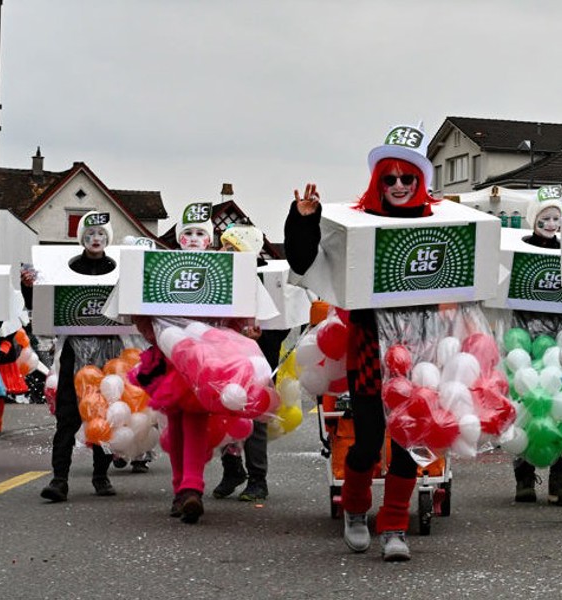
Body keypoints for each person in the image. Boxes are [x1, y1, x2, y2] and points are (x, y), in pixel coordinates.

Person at [283, 124, 441, 561]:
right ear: (377, 182)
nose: (398, 186)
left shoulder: (440, 224)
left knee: (410, 441)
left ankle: (395, 526)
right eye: (388, 178)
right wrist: (304, 219)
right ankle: (355, 511)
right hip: (370, 346)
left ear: (420, 182)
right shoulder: (356, 224)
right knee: (368, 441)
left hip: (420, 349)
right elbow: (305, 262)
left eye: (407, 178)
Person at [130, 203, 262, 524]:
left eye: (199, 233)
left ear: (209, 239)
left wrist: (243, 329)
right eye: (187, 233)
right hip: (170, 355)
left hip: (205, 358)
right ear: (178, 238)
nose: (192, 238)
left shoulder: (223, 268)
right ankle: (182, 489)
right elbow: (140, 310)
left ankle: (191, 488)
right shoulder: (162, 269)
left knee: (194, 417)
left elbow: (236, 311)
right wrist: (155, 332)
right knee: (175, 421)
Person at [39, 212, 128, 501]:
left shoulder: (119, 267)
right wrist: (32, 287)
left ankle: (101, 476)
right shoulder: (68, 267)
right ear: (82, 238)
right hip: (73, 351)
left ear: (108, 238)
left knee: (104, 411)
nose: (95, 239)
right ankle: (59, 479)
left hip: (109, 349)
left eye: (101, 234)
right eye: (89, 234)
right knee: (67, 416)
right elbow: (45, 306)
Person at [211, 225, 289, 503]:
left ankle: (258, 479)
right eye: (222, 246)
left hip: (257, 363)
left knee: (255, 420)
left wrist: (262, 336)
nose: (223, 252)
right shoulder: (218, 277)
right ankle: (232, 471)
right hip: (224, 360)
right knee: (222, 414)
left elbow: (282, 323)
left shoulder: (267, 281)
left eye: (231, 248)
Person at [511, 191, 562, 505]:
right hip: (524, 339)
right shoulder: (518, 249)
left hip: (559, 340)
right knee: (525, 405)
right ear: (533, 222)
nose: (551, 224)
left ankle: (560, 477)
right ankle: (524, 476)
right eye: (544, 219)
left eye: (555, 219)